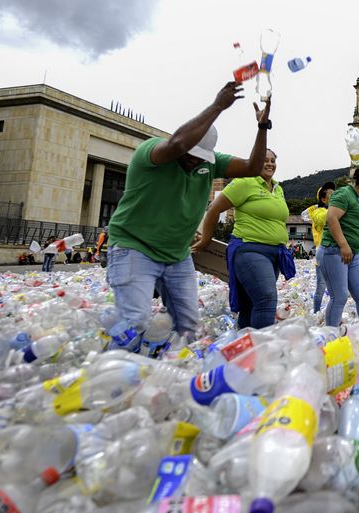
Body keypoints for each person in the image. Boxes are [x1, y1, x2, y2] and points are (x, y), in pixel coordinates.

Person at [108, 81, 270, 341]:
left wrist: (262, 128)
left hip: (176, 255)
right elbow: (178, 144)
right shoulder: (153, 154)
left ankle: (168, 368)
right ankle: (110, 370)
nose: (193, 160)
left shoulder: (210, 165)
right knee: (134, 320)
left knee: (188, 326)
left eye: (200, 157)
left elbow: (253, 167)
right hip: (134, 248)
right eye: (190, 154)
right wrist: (218, 105)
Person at [195, 148, 294, 330]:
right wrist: (206, 239)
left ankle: (241, 347)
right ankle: (261, 351)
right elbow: (214, 209)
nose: (270, 163)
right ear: (255, 161)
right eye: (265, 159)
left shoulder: (278, 188)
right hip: (250, 250)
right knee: (266, 299)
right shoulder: (245, 182)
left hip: (274, 255)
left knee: (250, 304)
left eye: (273, 160)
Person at [318, 168, 359, 327]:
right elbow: (332, 217)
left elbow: (353, 230)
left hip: (353, 254)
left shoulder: (358, 201)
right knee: (340, 296)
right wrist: (343, 245)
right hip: (334, 251)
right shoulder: (344, 194)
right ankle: (331, 334)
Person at [305, 182, 335, 314]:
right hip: (323, 257)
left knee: (336, 289)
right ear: (323, 199)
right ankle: (316, 313)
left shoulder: (332, 211)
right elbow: (325, 218)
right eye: (331, 194)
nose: (334, 196)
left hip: (334, 256)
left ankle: (331, 312)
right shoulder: (318, 213)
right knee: (321, 288)